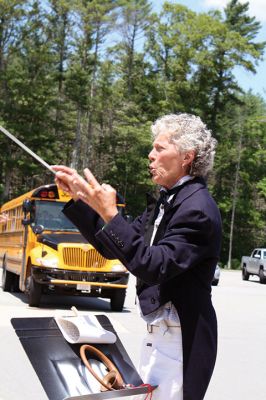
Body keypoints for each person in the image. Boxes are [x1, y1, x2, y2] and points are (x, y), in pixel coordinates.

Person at [53, 113, 222, 400]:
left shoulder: (198, 209)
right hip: (157, 337)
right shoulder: (166, 201)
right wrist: (81, 200)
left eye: (159, 148)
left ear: (186, 157)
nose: (150, 154)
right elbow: (115, 246)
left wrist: (110, 213)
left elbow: (152, 265)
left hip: (181, 342)